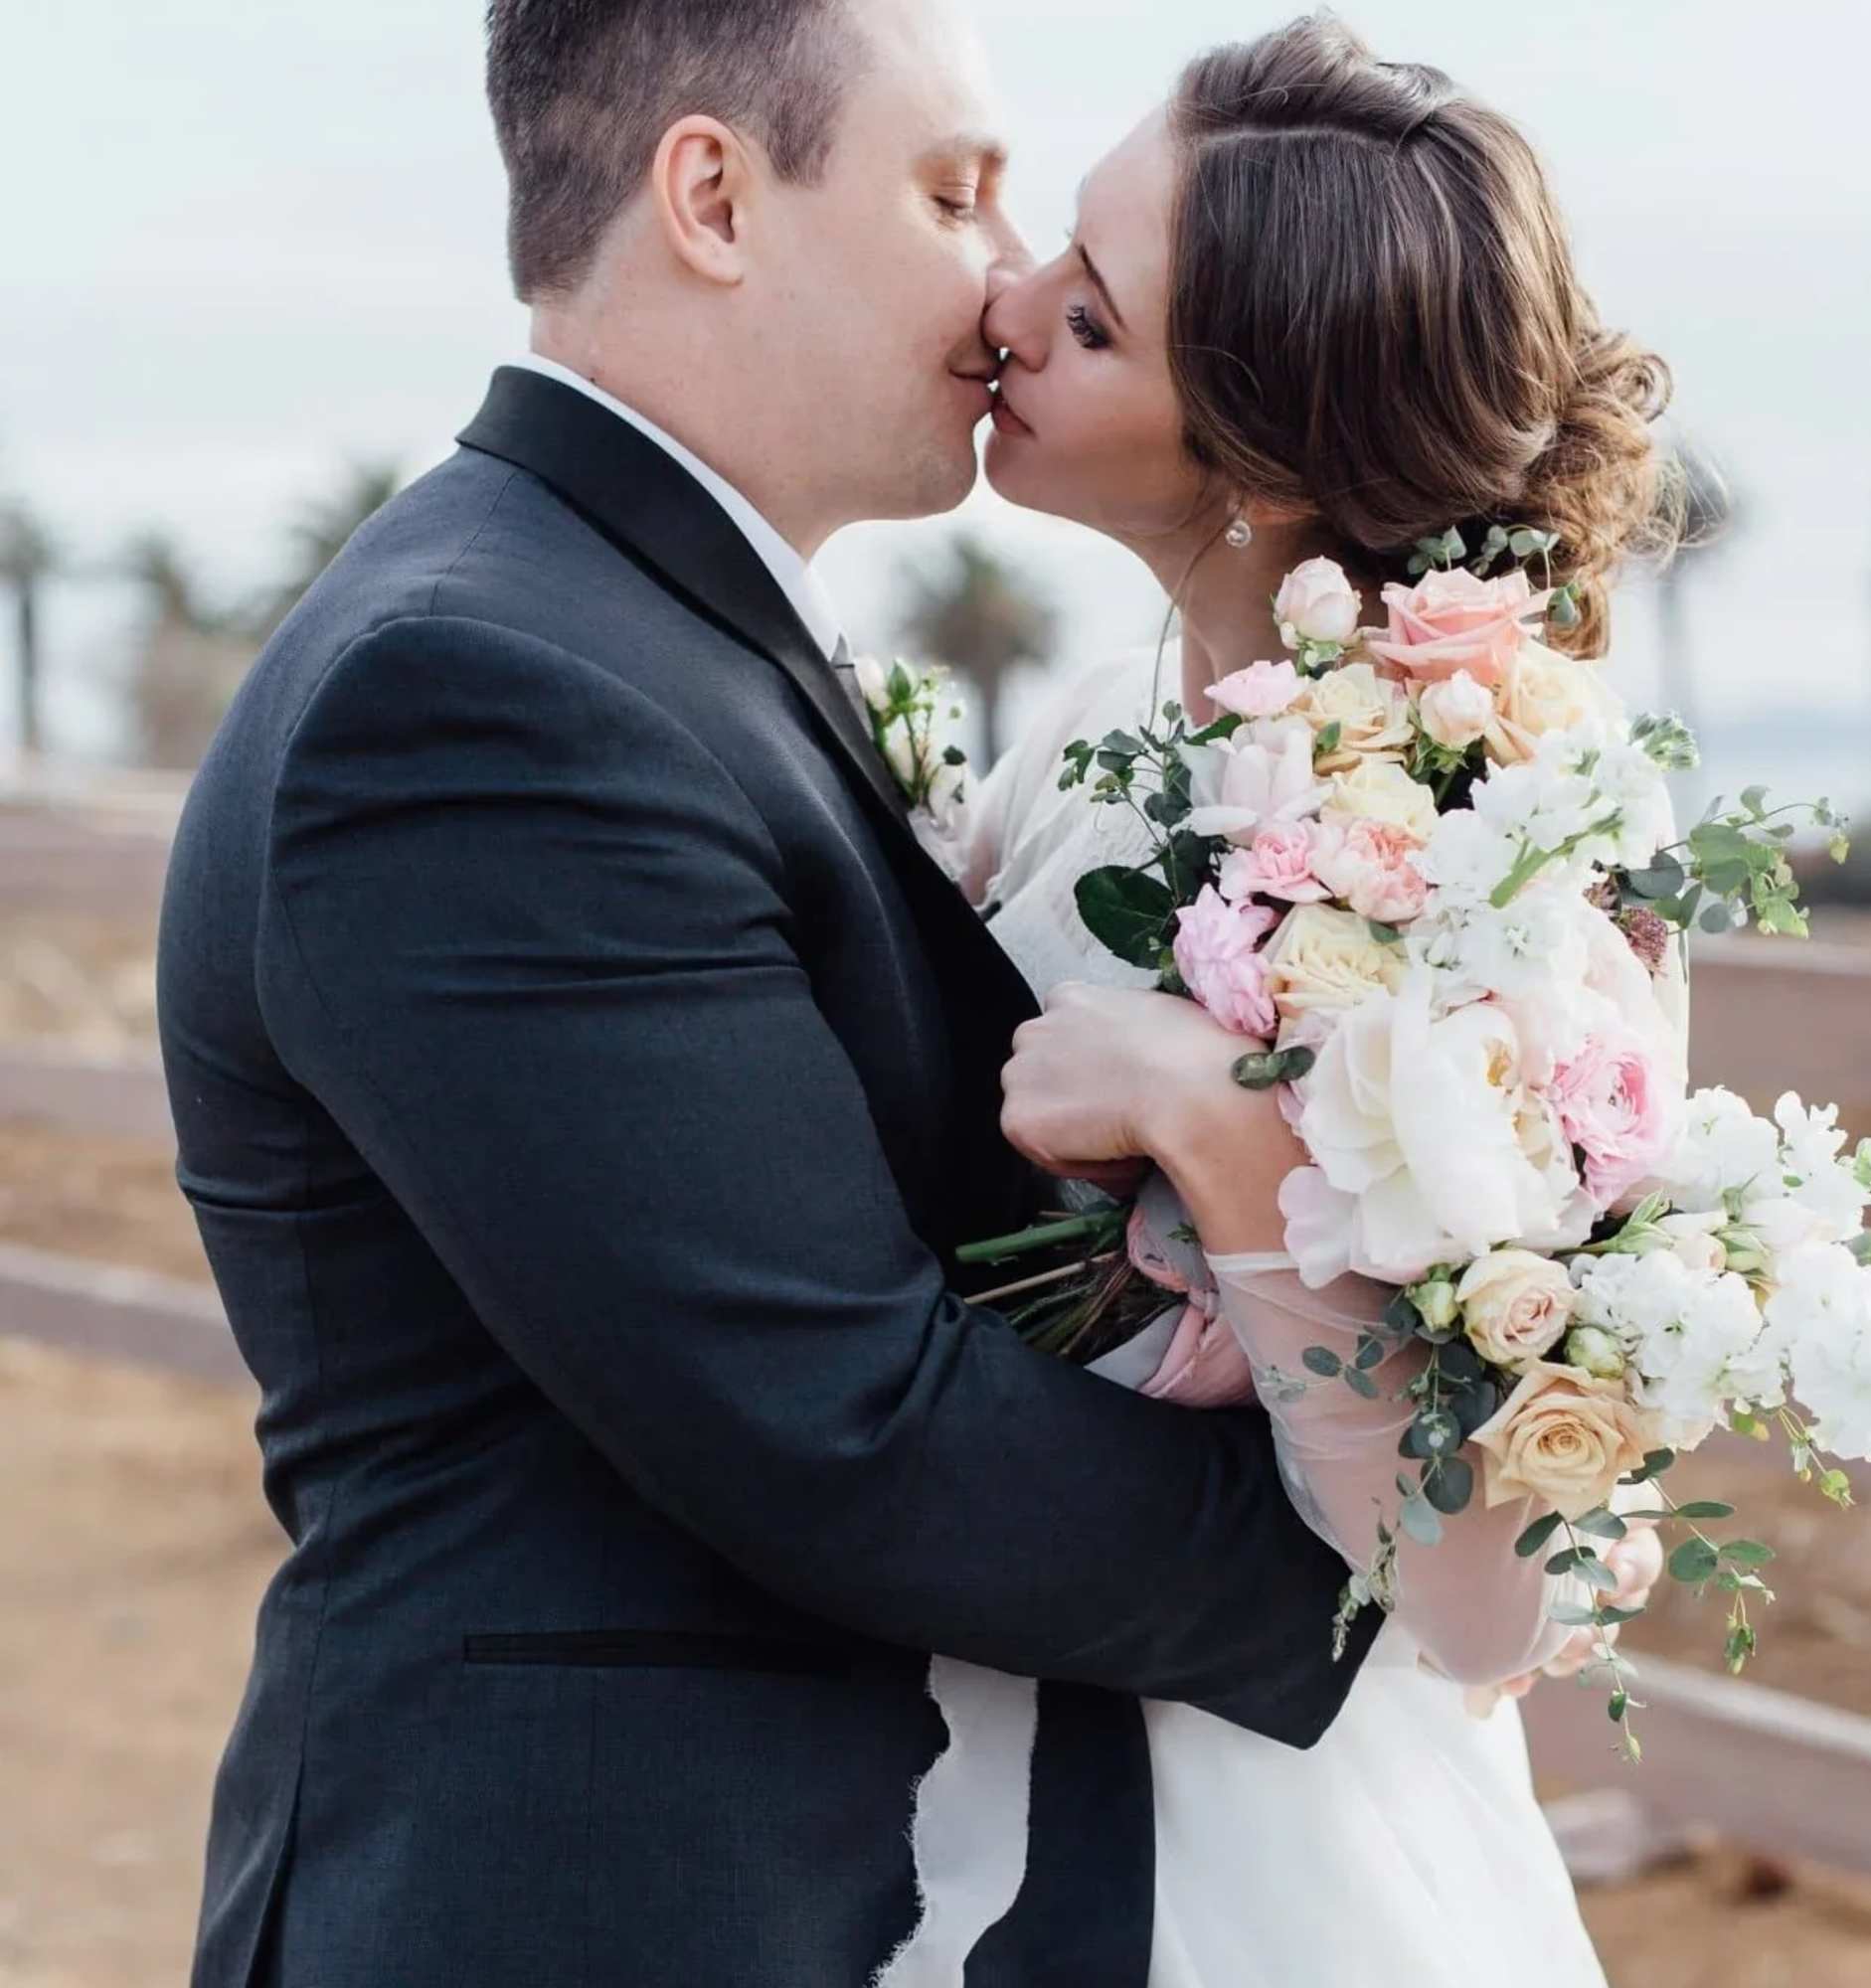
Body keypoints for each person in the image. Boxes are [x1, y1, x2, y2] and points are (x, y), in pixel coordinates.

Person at [157, 3, 1386, 1984]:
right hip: (578, 1901)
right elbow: (839, 1423)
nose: (1007, 279)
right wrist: (1393, 1540)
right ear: (714, 197)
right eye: (949, 191)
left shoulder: (624, 629)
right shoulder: (482, 693)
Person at [955, 11, 1686, 1983]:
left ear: (1262, 466)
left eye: (1092, 319)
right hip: (960, 1732)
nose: (1000, 304)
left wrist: (1221, 1122)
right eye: (1054, 242)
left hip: (1254, 1837)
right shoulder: (1103, 732)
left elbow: (1477, 1601)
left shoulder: (1492, 853)